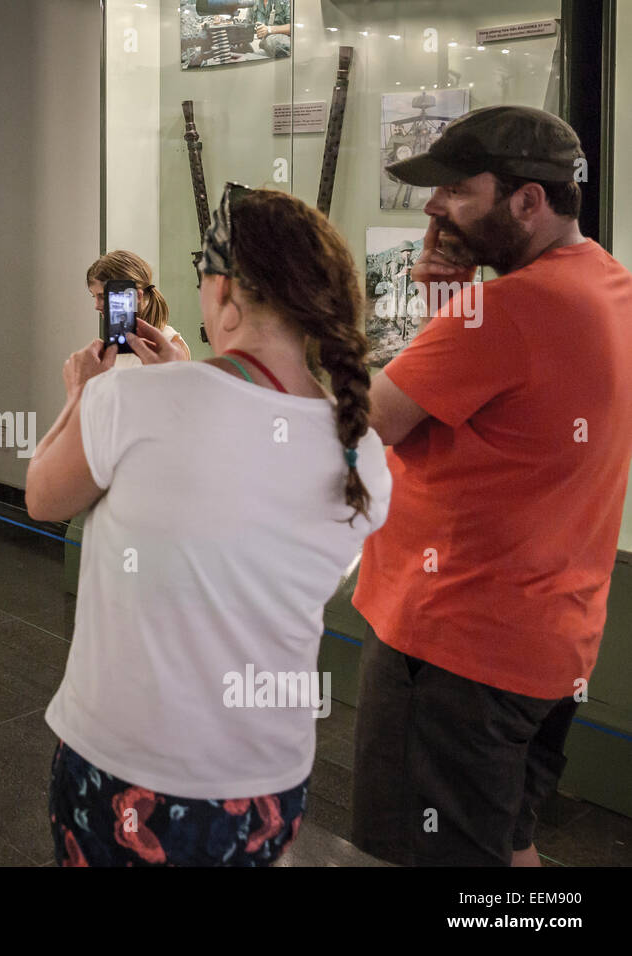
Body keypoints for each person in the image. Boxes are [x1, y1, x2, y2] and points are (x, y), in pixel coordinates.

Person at [28, 185, 392, 866]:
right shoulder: (362, 452)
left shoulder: (125, 397)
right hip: (268, 779)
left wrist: (79, 393)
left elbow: (43, 497)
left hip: (125, 769)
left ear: (223, 292)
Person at [353, 105, 632, 866]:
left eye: (456, 191)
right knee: (505, 844)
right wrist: (449, 307)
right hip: (548, 647)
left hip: (455, 653)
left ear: (528, 201)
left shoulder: (505, 308)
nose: (435, 207)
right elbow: (490, 397)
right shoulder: (608, 283)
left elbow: (369, 419)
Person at [85, 250, 190, 369]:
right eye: (95, 297)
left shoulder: (170, 346)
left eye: (103, 296)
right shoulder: (114, 350)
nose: (97, 306)